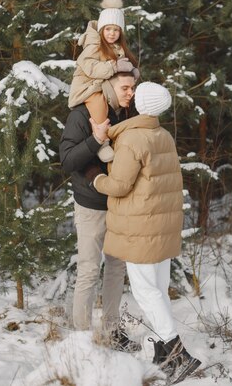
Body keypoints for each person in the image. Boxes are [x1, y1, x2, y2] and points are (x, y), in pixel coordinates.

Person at [91, 82, 201, 383]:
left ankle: (179, 353)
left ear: (140, 104)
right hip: (162, 226)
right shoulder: (162, 134)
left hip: (141, 226)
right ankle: (165, 354)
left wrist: (97, 181)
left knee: (145, 290)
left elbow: (121, 185)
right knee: (158, 287)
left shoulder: (132, 139)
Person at [59, 70, 140, 352]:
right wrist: (94, 139)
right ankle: (82, 338)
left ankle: (112, 331)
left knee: (116, 268)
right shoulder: (82, 115)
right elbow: (68, 160)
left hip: (120, 205)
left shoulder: (130, 114)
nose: (131, 92)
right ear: (109, 87)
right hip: (91, 205)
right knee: (89, 270)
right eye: (126, 87)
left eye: (133, 87)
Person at [67, 0, 139, 162]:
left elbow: (122, 68)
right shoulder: (94, 45)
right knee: (99, 104)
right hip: (87, 86)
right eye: (108, 29)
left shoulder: (118, 47)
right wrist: (113, 67)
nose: (112, 33)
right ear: (101, 30)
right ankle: (102, 144)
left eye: (116, 30)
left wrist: (131, 72)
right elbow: (88, 66)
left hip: (102, 84)